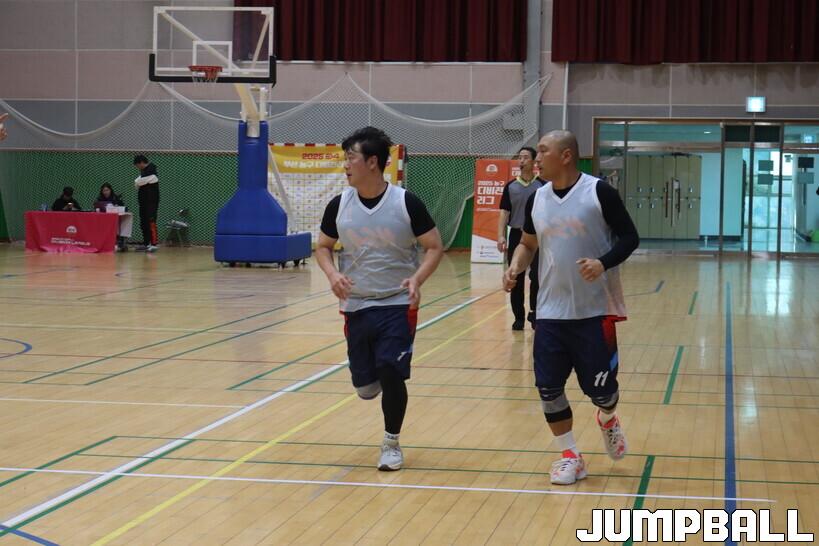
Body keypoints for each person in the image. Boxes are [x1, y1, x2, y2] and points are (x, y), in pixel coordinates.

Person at [503, 130, 639, 485]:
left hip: (594, 312)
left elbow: (630, 237)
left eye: (542, 151)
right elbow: (528, 243)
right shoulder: (537, 198)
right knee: (548, 388)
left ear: (565, 156)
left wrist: (602, 263)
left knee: (603, 393)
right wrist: (516, 266)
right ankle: (570, 455)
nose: (536, 158)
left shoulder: (599, 192)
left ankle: (607, 417)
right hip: (549, 311)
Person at [315, 126, 443, 471]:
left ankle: (391, 443)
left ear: (372, 162)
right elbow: (323, 247)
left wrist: (417, 279)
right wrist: (332, 275)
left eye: (351, 158)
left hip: (397, 303)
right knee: (366, 387)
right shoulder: (339, 205)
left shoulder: (406, 202)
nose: (345, 165)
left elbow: (434, 247)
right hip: (356, 304)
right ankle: (370, 381)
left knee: (391, 371)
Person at [497, 146, 544, 330]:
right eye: (520, 157)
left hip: (537, 236)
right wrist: (501, 235)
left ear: (533, 161)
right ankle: (518, 317)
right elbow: (504, 212)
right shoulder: (511, 186)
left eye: (525, 157)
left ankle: (535, 313)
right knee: (515, 276)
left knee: (537, 276)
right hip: (517, 234)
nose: (521, 160)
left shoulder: (542, 186)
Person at [133, 154, 160, 252]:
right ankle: (146, 243)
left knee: (151, 221)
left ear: (141, 163)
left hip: (151, 202)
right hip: (143, 202)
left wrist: (139, 181)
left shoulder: (152, 170)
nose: (137, 167)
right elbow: (137, 182)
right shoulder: (143, 172)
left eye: (137, 165)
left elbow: (138, 182)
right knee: (143, 222)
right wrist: (139, 181)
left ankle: (153, 244)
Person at [94, 182, 127, 251]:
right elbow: (96, 208)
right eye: (104, 191)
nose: (105, 192)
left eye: (107, 190)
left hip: (115, 220)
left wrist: (117, 207)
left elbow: (125, 208)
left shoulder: (116, 198)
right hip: (103, 220)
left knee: (122, 223)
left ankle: (120, 242)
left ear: (110, 190)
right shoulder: (99, 199)